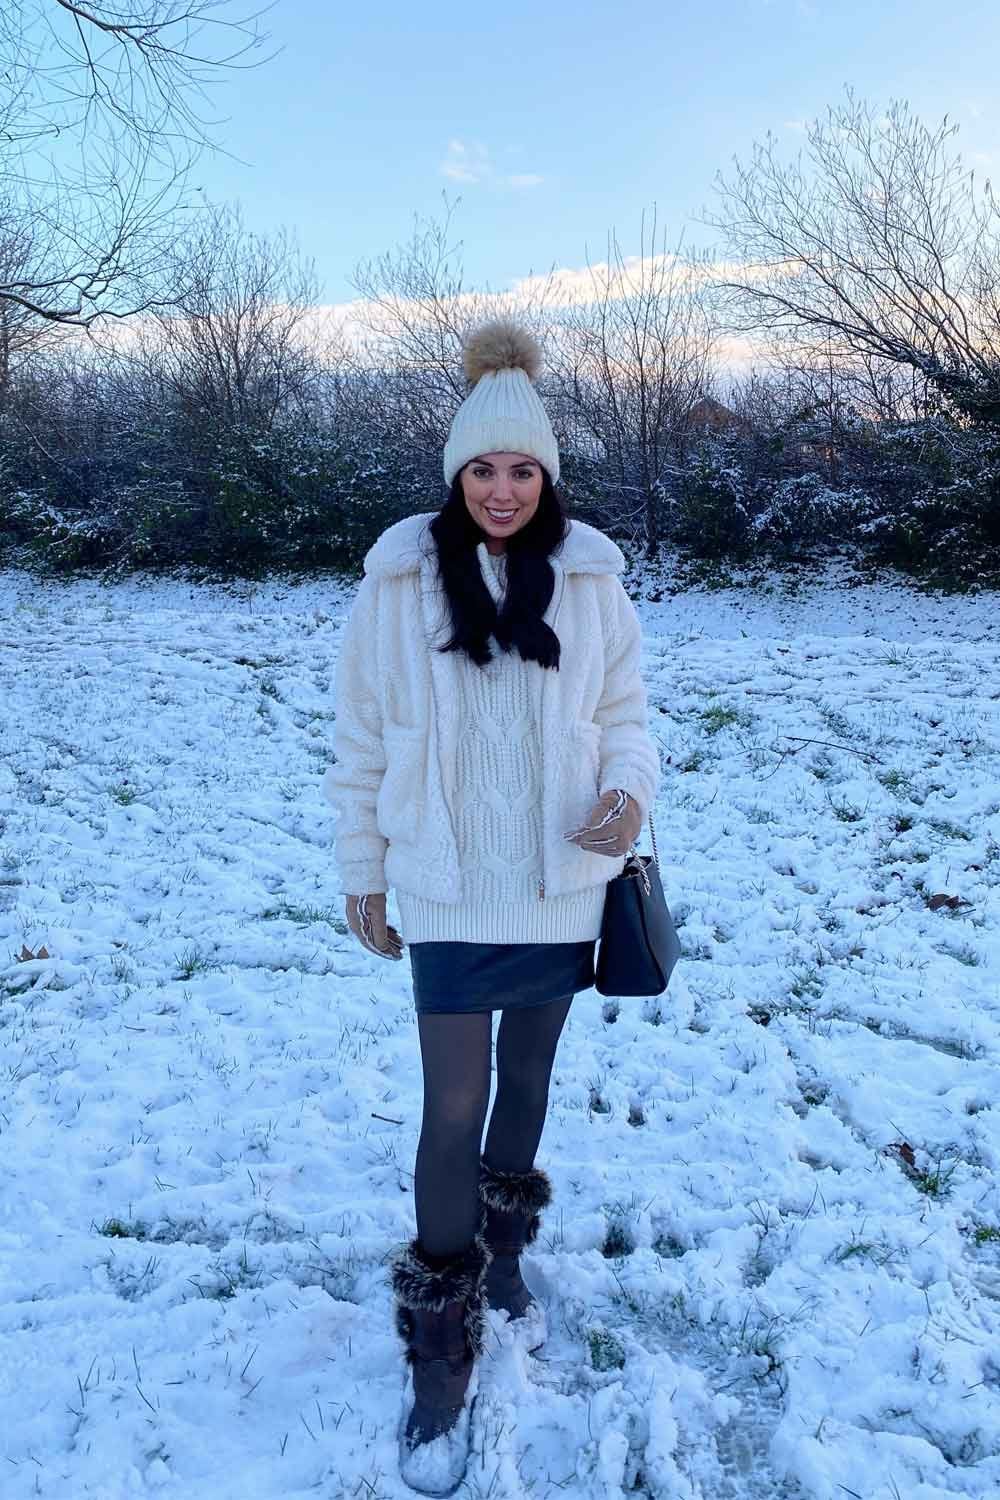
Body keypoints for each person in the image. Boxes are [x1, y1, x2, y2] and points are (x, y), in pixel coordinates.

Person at [323, 317, 660, 1496]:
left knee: (528, 1085)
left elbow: (625, 716)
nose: (503, 491)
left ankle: (503, 1257)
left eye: (523, 470)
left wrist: (625, 795)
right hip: (450, 881)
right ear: (454, 476)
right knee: (449, 1103)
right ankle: (438, 1337)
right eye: (482, 470)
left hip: (560, 884)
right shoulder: (400, 583)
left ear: (547, 476)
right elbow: (361, 738)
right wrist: (364, 866)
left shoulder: (592, 581)